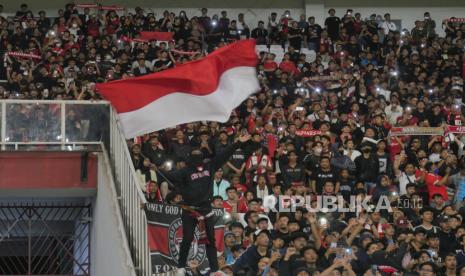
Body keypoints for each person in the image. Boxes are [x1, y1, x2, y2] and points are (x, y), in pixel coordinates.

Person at [162, 134, 251, 274]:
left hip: (206, 209)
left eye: (199, 153)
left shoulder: (210, 166)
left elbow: (224, 154)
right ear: (189, 157)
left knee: (210, 240)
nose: (197, 156)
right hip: (189, 210)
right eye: (194, 154)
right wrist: (157, 168)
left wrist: (238, 142)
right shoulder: (184, 171)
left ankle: (215, 269)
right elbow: (170, 176)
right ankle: (180, 267)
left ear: (202, 155)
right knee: (187, 239)